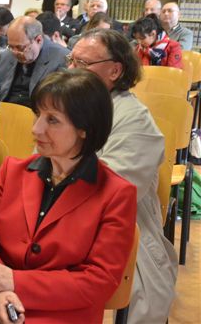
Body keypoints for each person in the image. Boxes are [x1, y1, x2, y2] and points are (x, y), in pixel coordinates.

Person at [0, 69, 138, 324]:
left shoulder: (116, 194)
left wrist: (16, 282)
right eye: (38, 115)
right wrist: (0, 291)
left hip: (62, 306)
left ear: (85, 128)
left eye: (53, 120)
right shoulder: (13, 171)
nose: (36, 128)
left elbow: (98, 281)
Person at [70, 29, 178, 324]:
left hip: (115, 232)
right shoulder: (73, 106)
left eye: (82, 64)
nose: (71, 70)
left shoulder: (136, 121)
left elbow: (107, 195)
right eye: (71, 61)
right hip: (64, 220)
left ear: (114, 71)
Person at [0, 16, 68, 108]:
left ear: (38, 40)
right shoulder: (6, 56)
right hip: (6, 110)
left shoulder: (61, 59)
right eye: (11, 46)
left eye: (20, 47)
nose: (14, 52)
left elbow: (59, 104)